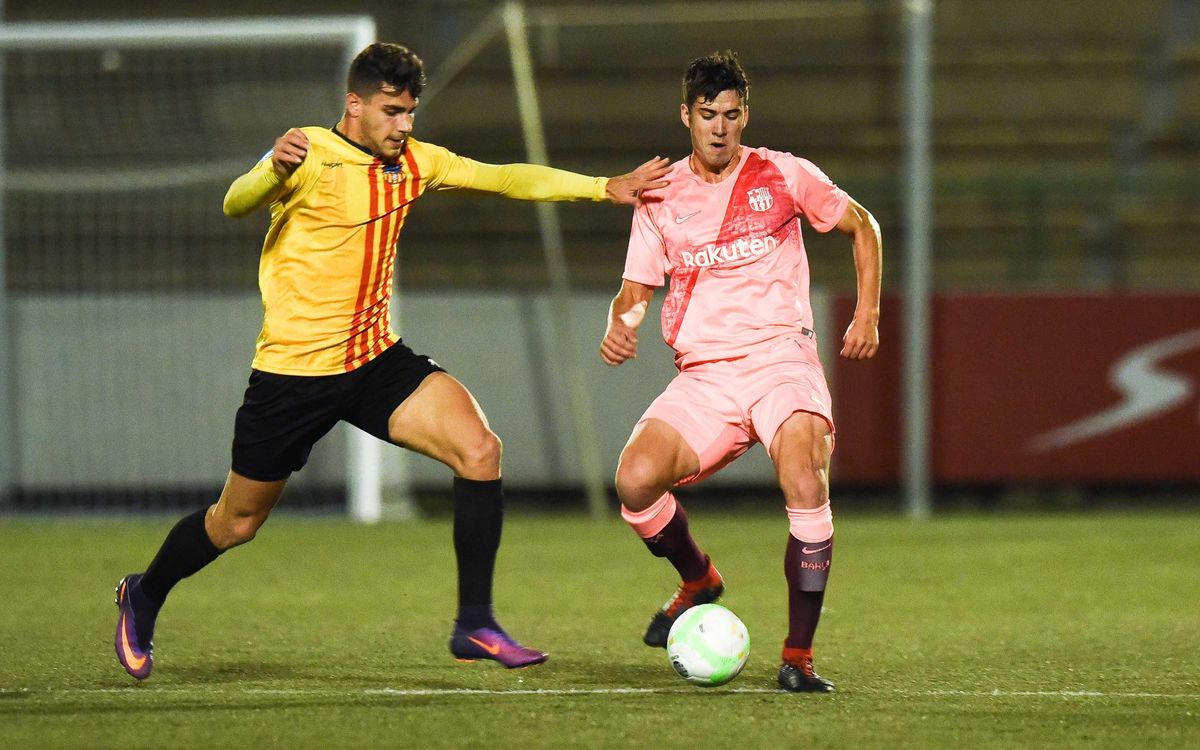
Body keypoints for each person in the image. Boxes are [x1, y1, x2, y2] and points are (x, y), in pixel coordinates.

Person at [113, 42, 669, 680]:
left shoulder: (418, 162)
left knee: (480, 452)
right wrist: (270, 163)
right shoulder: (310, 154)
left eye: (410, 112)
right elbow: (235, 202)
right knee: (235, 522)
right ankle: (145, 592)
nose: (404, 125)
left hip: (375, 363)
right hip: (293, 376)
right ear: (355, 104)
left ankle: (475, 622)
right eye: (392, 111)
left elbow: (508, 177)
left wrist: (605, 188)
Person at [599, 50, 881, 693]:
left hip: (781, 360)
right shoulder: (661, 193)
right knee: (635, 481)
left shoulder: (784, 173)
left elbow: (863, 226)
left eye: (731, 115)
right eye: (707, 116)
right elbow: (636, 287)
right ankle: (699, 581)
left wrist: (866, 313)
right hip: (706, 375)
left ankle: (798, 659)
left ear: (744, 114)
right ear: (685, 117)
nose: (720, 128)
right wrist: (622, 321)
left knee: (804, 481)